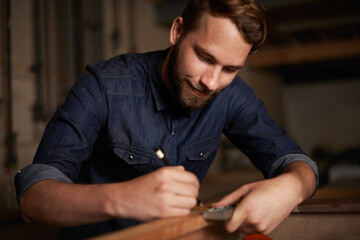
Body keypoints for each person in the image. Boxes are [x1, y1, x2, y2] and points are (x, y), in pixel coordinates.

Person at [15, 0, 318, 239]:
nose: (211, 82)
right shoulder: (104, 85)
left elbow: (294, 161)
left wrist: (293, 187)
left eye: (230, 69)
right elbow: (34, 197)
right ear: (177, 31)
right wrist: (120, 198)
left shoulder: (232, 95)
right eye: (205, 57)